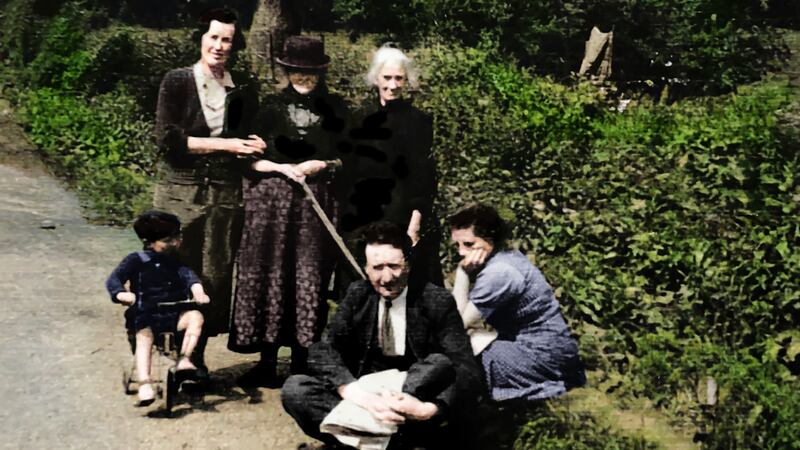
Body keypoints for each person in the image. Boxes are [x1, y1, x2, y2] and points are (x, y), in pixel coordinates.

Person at [281, 222, 482, 449]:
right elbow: (324, 350)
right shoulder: (358, 294)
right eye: (377, 268)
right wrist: (356, 394)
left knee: (438, 364)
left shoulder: (435, 300)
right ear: (366, 268)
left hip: (411, 401)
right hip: (367, 396)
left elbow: (466, 367)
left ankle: (361, 441)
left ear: (409, 264)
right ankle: (387, 443)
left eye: (394, 266)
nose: (387, 278)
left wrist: (427, 410)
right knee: (296, 390)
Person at [229, 35, 350, 386]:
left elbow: (350, 159)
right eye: (297, 71)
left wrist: (321, 165)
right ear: (285, 70)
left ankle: (301, 361)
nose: (303, 78)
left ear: (321, 72)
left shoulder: (337, 110)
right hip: (272, 207)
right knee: (272, 276)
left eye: (310, 72)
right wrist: (279, 168)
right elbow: (248, 161)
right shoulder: (267, 108)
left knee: (308, 277)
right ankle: (267, 361)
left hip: (317, 206)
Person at [152, 8, 265, 377]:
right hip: (179, 193)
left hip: (225, 196)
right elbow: (169, 141)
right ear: (201, 39)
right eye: (213, 37)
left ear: (235, 45)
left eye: (227, 39)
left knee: (214, 275)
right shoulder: (177, 81)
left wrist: (256, 145)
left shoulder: (242, 88)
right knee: (173, 268)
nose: (219, 46)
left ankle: (194, 356)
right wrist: (229, 146)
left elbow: (247, 139)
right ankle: (165, 343)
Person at [449, 204, 586, 402]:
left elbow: (455, 326)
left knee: (458, 355)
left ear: (490, 239)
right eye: (457, 245)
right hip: (553, 351)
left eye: (469, 244)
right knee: (464, 344)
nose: (461, 252)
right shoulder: (506, 257)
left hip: (541, 354)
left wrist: (462, 274)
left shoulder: (500, 272)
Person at [341, 44, 443, 290]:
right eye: (387, 77)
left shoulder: (418, 121)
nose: (393, 85)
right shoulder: (358, 118)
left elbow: (423, 176)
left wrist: (415, 222)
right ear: (376, 78)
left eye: (399, 78)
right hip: (363, 214)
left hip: (401, 213)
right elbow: (349, 169)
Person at [105, 211, 210, 406]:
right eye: (167, 240)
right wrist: (121, 294)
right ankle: (145, 383)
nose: (174, 243)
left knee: (196, 317)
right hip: (145, 314)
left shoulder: (175, 261)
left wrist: (198, 291)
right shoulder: (136, 260)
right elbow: (114, 279)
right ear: (149, 241)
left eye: (177, 238)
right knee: (144, 337)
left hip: (173, 313)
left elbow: (189, 277)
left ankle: (184, 359)